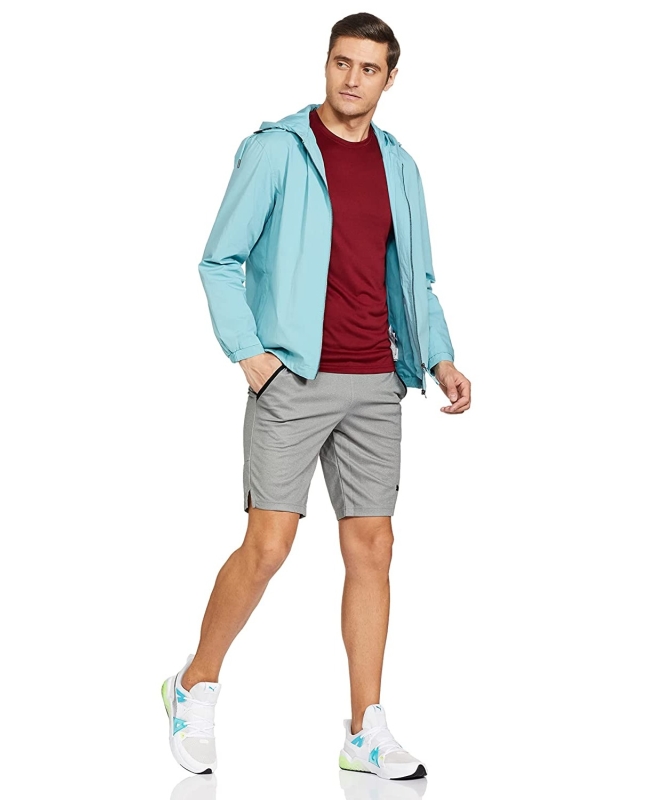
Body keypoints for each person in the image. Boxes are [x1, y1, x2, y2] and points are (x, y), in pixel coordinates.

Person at [161, 11, 472, 781]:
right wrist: (250, 355)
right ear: (327, 63)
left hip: (376, 380)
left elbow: (416, 279)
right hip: (293, 377)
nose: (351, 79)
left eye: (368, 68)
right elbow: (219, 259)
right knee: (269, 546)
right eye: (341, 62)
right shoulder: (278, 150)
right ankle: (194, 684)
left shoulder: (401, 166)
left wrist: (439, 358)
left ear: (390, 78)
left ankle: (366, 729)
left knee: (374, 549)